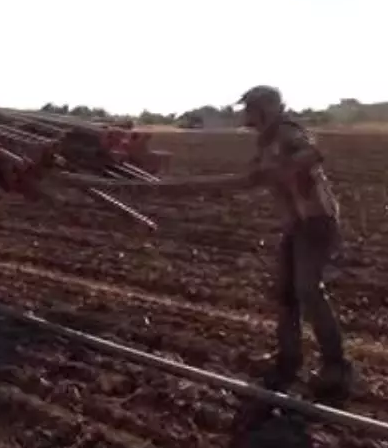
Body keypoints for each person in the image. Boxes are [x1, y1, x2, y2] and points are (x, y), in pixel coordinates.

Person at [135, 85, 352, 399]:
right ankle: (288, 359)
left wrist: (280, 169)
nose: (248, 116)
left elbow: (313, 153)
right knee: (286, 293)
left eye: (252, 109)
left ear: (269, 108)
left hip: (316, 221)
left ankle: (337, 366)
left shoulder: (288, 133)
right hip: (296, 225)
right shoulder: (265, 142)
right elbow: (252, 174)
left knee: (307, 289)